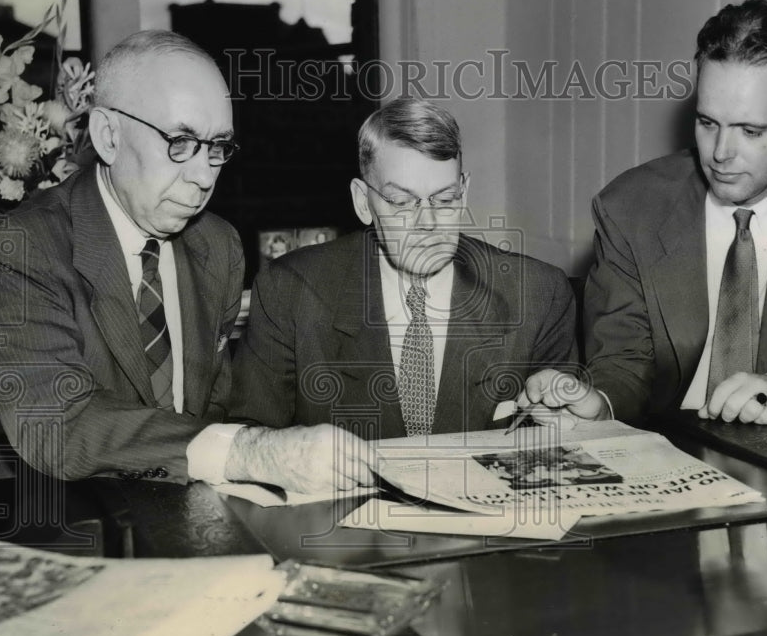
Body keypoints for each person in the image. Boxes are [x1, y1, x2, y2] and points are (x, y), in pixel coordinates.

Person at [0, 30, 374, 492]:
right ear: (108, 136)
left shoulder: (218, 245)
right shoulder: (20, 247)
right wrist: (255, 453)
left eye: (218, 147)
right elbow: (56, 422)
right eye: (180, 142)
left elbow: (216, 410)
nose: (204, 175)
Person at [520, 0, 767, 426]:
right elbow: (623, 364)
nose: (721, 154)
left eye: (750, 130)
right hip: (670, 444)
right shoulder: (630, 206)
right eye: (707, 123)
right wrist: (596, 406)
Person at [230, 97, 578, 438]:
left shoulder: (537, 295)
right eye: (401, 202)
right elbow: (249, 443)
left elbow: (563, 443)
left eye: (444, 199)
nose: (427, 222)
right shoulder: (290, 291)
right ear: (363, 202)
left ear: (464, 191)